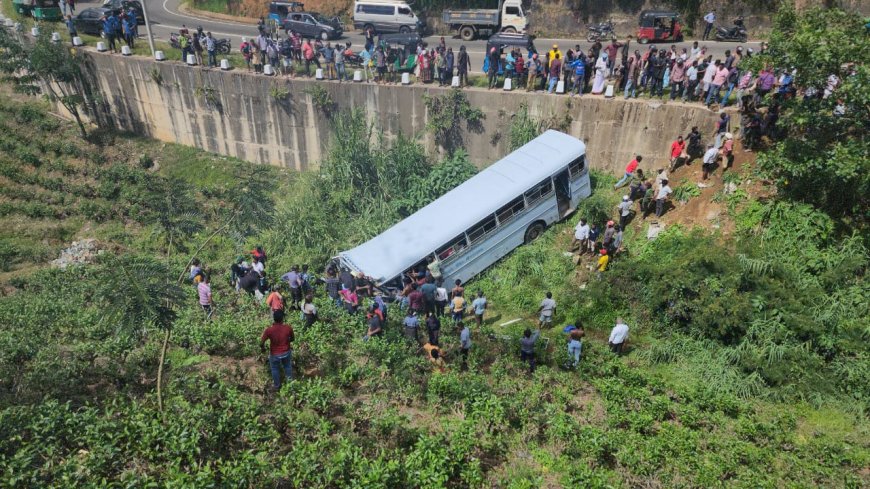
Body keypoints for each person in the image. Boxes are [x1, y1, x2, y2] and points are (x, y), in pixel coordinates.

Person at [260, 310, 294, 390]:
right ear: (283, 318)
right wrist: (286, 341)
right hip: (286, 352)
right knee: (287, 367)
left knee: (275, 369)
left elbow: (261, 343)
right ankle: (290, 386)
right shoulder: (288, 328)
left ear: (273, 318)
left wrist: (263, 348)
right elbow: (292, 339)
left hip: (275, 354)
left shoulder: (269, 330)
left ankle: (277, 386)